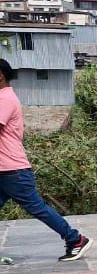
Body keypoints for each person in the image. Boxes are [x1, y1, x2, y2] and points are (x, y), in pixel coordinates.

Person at [0, 59, 92, 262]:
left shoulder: (5, 99)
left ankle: (75, 239)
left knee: (37, 207)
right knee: (36, 207)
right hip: (5, 169)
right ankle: (75, 239)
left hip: (12, 170)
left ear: (1, 75)